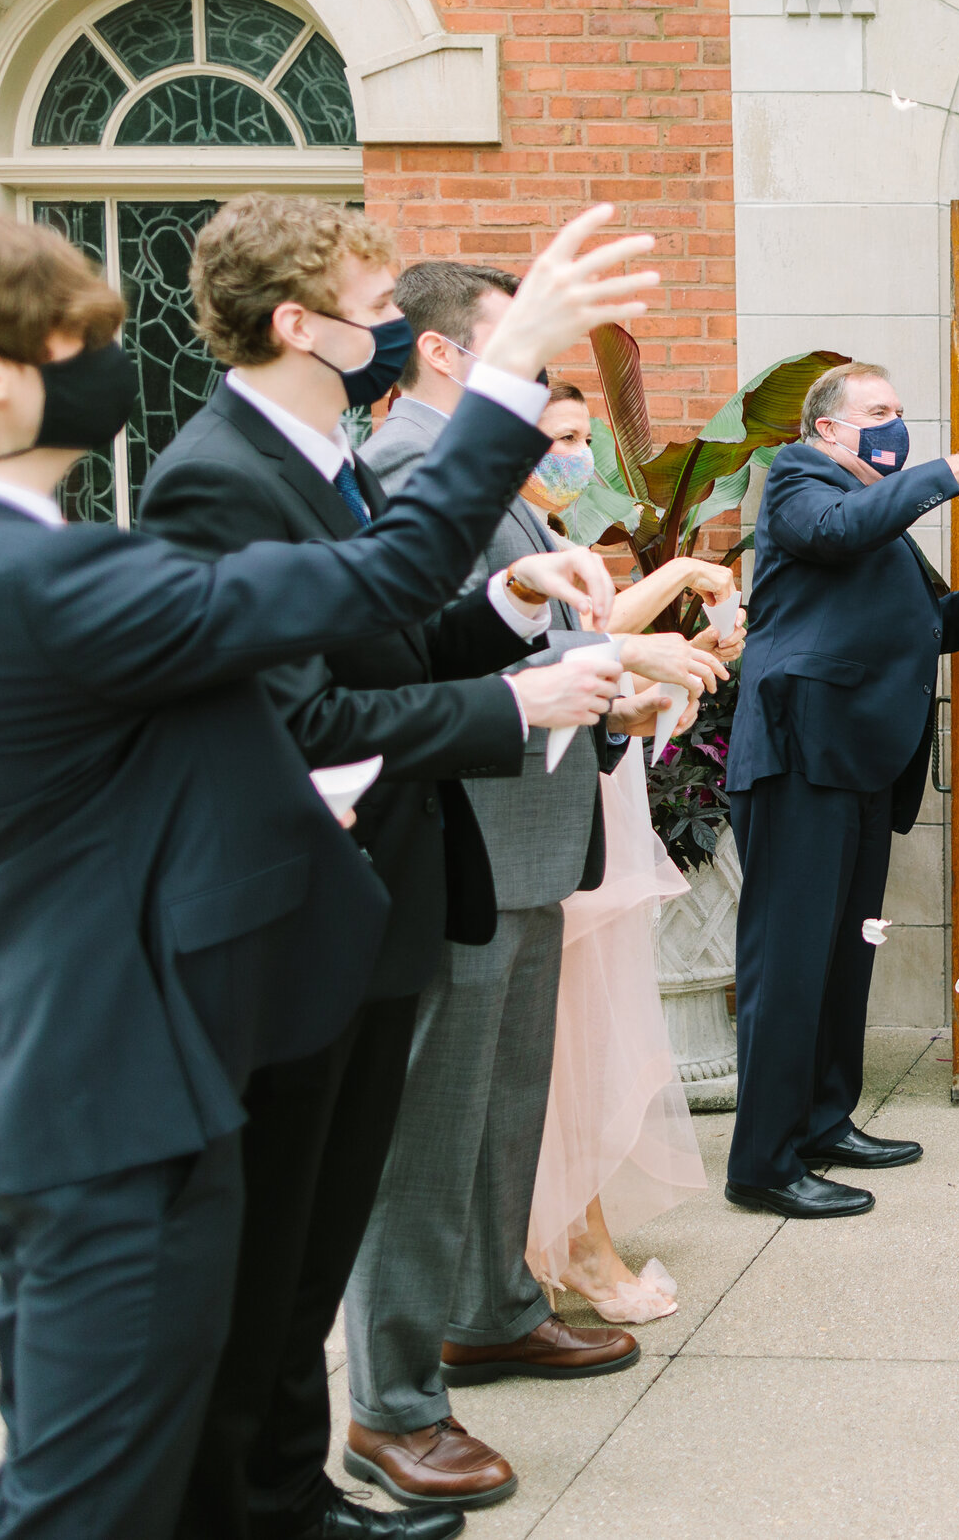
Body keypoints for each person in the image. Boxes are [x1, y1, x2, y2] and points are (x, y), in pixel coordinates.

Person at [0, 206, 651, 1540]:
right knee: (95, 1484)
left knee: (153, 1438)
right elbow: (385, 581)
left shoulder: (54, 559)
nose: (120, 364)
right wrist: (513, 359)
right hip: (108, 1086)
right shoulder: (46, 578)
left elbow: (323, 657)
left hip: (111, 1062)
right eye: (87, 340)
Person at [344, 370, 722, 1513]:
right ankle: (393, 1397)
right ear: (453, 360)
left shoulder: (488, 471)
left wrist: (614, 684)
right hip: (468, 830)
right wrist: (611, 672)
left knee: (507, 1100)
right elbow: (434, 666)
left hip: (532, 827)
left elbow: (524, 632)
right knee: (430, 1127)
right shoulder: (418, 460)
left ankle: (493, 1306)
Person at [722, 362, 959, 1217]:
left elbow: (913, 633)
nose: (898, 427)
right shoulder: (799, 481)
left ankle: (824, 1119)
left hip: (858, 764)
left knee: (843, 954)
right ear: (828, 429)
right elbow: (834, 533)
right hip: (800, 758)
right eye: (880, 412)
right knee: (788, 964)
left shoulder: (882, 523)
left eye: (902, 412)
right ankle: (761, 1161)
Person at [525, 382, 742, 1323]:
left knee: (587, 1038)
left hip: (594, 807)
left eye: (582, 437)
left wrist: (645, 694)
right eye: (559, 438)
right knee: (566, 1044)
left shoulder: (557, 543)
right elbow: (573, 646)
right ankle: (572, 1242)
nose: (575, 455)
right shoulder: (512, 546)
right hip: (546, 827)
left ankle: (572, 1235)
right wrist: (684, 587)